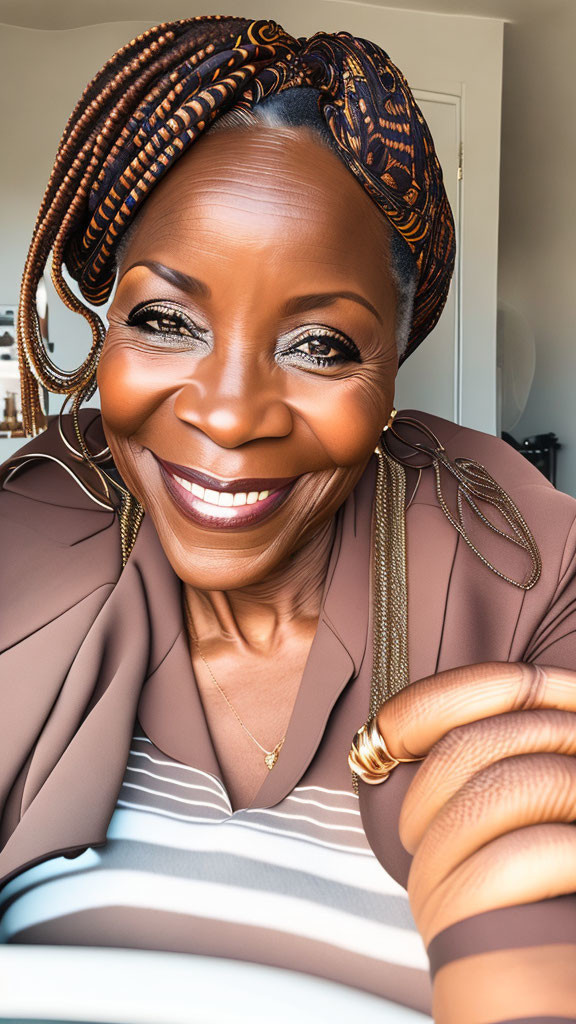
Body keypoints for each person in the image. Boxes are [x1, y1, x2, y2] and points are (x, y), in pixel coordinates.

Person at [0, 14, 575, 1023]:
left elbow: (536, 898)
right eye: (165, 320)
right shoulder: (34, 524)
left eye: (320, 345)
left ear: (395, 367)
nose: (227, 412)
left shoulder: (523, 557)